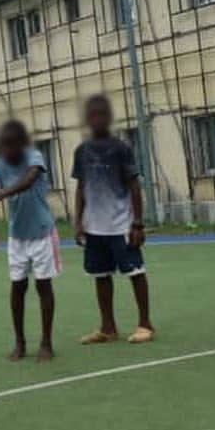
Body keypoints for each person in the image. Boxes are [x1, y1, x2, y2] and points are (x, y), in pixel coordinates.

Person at [72, 95, 154, 345]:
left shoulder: (121, 149)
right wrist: (78, 222)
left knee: (135, 272)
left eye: (101, 114)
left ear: (108, 118)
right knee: (100, 275)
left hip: (121, 225)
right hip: (94, 227)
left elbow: (134, 186)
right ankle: (107, 327)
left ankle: (145, 324)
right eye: (92, 114)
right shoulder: (82, 151)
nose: (97, 119)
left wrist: (137, 222)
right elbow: (80, 187)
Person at [0, 120, 60, 362]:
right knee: (17, 287)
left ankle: (46, 342)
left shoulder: (34, 157)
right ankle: (20, 342)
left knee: (43, 286)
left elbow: (28, 180)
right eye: (4, 146)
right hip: (17, 237)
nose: (8, 151)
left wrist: (0, 195)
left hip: (42, 233)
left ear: (21, 144)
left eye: (12, 145)